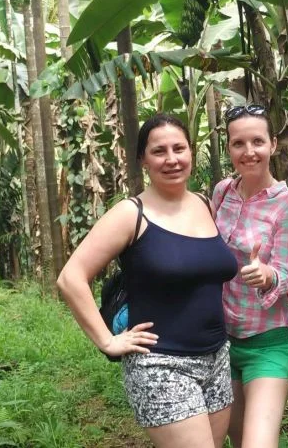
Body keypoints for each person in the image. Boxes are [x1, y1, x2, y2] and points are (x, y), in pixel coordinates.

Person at [57, 114, 237, 448]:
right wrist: (107, 341)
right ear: (143, 159)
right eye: (159, 151)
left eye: (179, 148)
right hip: (160, 364)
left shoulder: (204, 204)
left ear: (191, 151)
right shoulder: (131, 213)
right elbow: (71, 277)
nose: (171, 159)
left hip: (216, 358)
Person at [210, 104, 288, 448]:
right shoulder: (222, 192)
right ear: (229, 147)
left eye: (257, 142)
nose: (248, 151)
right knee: (235, 438)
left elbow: (284, 274)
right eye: (239, 143)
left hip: (267, 341)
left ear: (273, 144)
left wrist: (266, 275)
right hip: (220, 340)